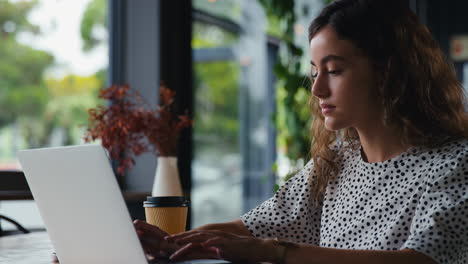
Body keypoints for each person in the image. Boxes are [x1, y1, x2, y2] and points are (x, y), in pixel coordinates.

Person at [134, 0, 468, 263]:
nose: (317, 89)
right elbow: (247, 229)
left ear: (389, 73)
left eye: (334, 70)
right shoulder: (337, 160)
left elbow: (421, 261)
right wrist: (171, 244)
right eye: (314, 72)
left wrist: (274, 252)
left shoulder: (456, 164)